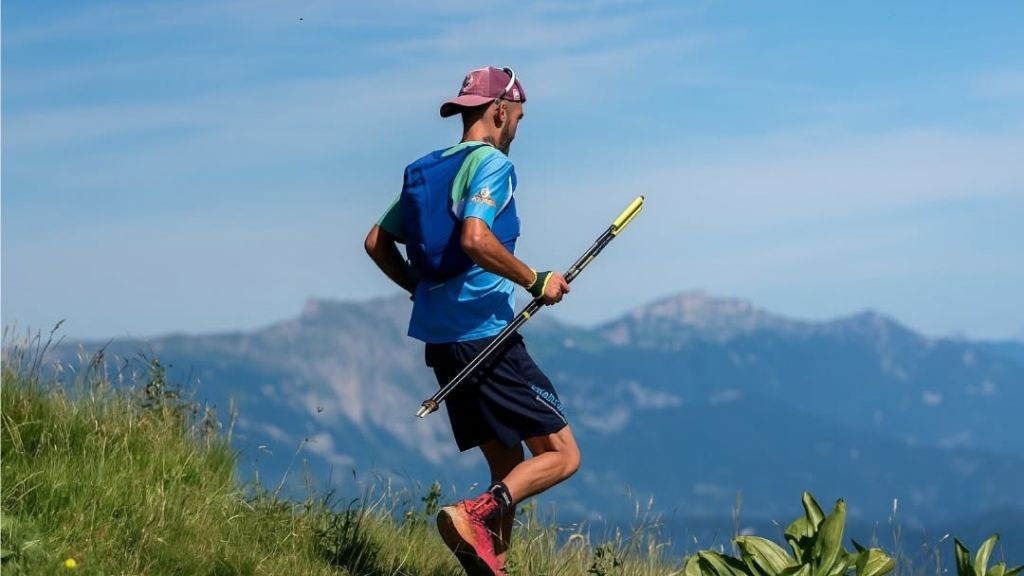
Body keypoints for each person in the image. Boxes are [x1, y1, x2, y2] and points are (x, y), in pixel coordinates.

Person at [364, 66, 580, 576]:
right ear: (500, 111)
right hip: (486, 339)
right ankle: (471, 513)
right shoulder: (492, 165)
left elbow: (376, 241)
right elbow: (476, 239)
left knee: (507, 467)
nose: (517, 129)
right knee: (562, 456)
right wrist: (535, 280)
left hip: (442, 343)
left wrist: (419, 289)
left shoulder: (427, 170)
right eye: (519, 118)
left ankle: (491, 566)